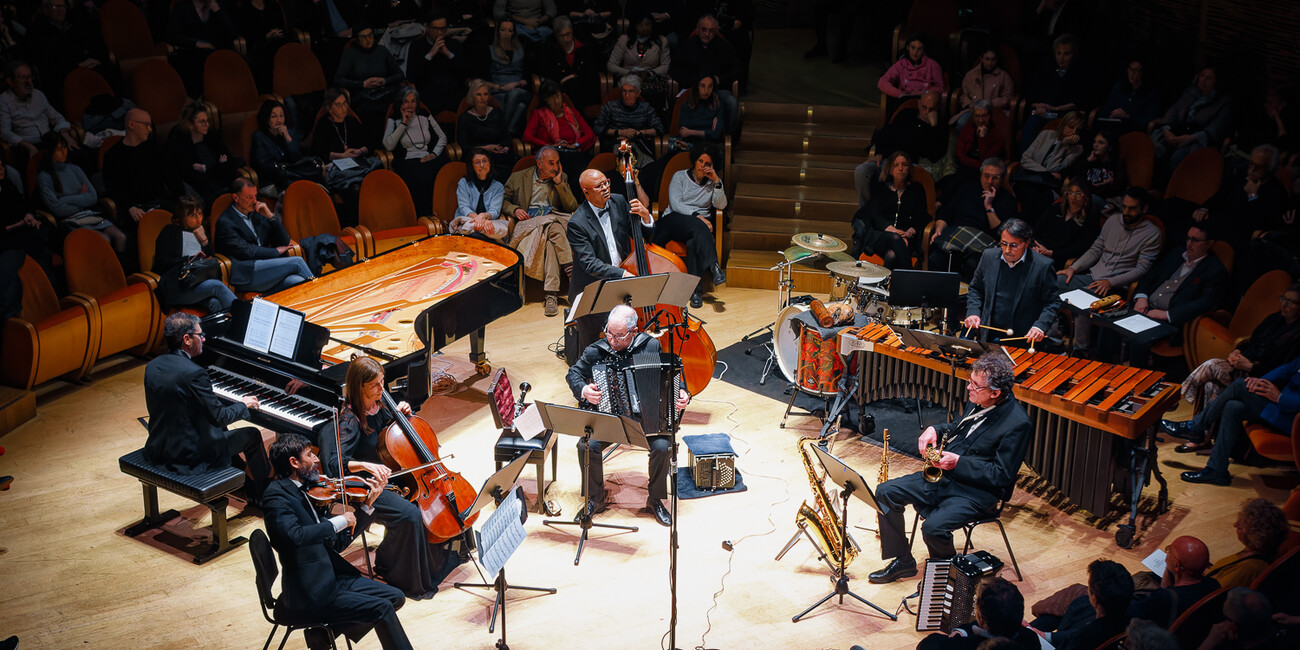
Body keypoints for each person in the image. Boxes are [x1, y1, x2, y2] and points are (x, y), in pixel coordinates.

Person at [867, 353, 1032, 584]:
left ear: (995, 393)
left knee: (933, 528)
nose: (968, 388)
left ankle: (946, 578)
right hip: (945, 477)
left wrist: (959, 463)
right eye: (969, 381)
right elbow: (960, 427)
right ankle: (903, 561)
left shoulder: (1018, 424)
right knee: (886, 492)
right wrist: (936, 429)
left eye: (975, 385)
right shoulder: (980, 400)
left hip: (976, 494)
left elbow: (1001, 475)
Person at [317, 356, 464, 600]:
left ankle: (425, 559)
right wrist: (366, 465)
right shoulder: (349, 420)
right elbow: (335, 465)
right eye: (375, 385)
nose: (381, 389)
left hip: (392, 476)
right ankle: (396, 571)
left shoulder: (381, 404)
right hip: (368, 486)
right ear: (359, 387)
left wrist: (404, 411)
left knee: (429, 503)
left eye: (382, 382)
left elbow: (394, 435)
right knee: (410, 515)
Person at [262, 433, 414, 650]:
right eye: (309, 455)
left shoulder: (306, 488)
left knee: (396, 597)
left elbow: (337, 543)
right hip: (310, 592)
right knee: (381, 608)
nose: (316, 459)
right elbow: (292, 536)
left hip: (331, 577)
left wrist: (367, 505)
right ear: (294, 463)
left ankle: (325, 634)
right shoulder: (276, 497)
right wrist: (337, 522)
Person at [567, 304, 690, 527]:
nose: (612, 340)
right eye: (609, 333)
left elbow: (671, 373)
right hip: (610, 418)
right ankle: (595, 498)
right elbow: (574, 373)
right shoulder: (597, 350)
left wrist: (682, 391)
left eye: (619, 335)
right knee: (586, 446)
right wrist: (584, 390)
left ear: (634, 332)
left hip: (647, 421)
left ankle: (655, 500)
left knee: (663, 446)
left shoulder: (650, 345)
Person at [144, 313, 272, 503]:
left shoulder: (153, 365)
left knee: (218, 428)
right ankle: (264, 496)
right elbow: (219, 416)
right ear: (187, 339)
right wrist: (243, 404)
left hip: (159, 445)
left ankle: (241, 480)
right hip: (188, 456)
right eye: (200, 335)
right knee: (252, 435)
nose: (203, 339)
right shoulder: (194, 373)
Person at [1167, 284, 1300, 453]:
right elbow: (1251, 343)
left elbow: (1281, 371)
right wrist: (1237, 352)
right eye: (1283, 299)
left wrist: (1252, 367)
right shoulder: (1274, 320)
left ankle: (1171, 401)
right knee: (1211, 385)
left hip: (1259, 378)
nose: (1285, 305)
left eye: (1292, 302)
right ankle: (1200, 437)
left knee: (1212, 365)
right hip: (1244, 368)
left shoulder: (1297, 337)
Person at [1056, 186, 1163, 354]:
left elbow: (1142, 269)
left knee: (1085, 298)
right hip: (1093, 276)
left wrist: (1111, 281)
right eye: (1124, 207)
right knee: (1053, 283)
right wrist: (1073, 268)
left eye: (1132, 208)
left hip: (1116, 286)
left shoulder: (1152, 233)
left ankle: (1080, 351)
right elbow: (1096, 249)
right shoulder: (1113, 220)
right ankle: (1053, 340)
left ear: (1144, 209)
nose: (1126, 212)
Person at [1179, 355, 1300, 486]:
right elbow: (1288, 369)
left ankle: (1196, 426)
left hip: (1294, 420)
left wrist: (1280, 398)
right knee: (1233, 407)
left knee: (1239, 386)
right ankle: (1216, 470)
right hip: (1282, 408)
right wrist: (1259, 382)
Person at [1127, 223, 1228, 364]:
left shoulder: (1214, 270)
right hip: (1144, 307)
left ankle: (1135, 376)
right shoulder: (1176, 254)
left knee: (1138, 335)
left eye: (1195, 240)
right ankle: (1107, 366)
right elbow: (1150, 276)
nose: (1189, 243)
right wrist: (1141, 297)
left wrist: (1168, 315)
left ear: (1209, 244)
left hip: (1170, 320)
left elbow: (1205, 303)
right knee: (1109, 321)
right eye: (1188, 238)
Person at [503, 146, 579, 316]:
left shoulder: (561, 177)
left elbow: (572, 206)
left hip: (551, 224)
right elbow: (503, 200)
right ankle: (571, 274)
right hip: (528, 225)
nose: (556, 167)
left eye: (558, 162)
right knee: (555, 227)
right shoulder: (518, 177)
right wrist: (514, 210)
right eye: (551, 163)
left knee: (552, 238)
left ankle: (551, 295)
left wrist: (559, 184)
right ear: (539, 163)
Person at [963, 219, 1060, 348]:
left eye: (1014, 245)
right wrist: (973, 312)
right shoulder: (989, 257)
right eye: (1004, 243)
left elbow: (1052, 302)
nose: (1007, 250)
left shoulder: (1043, 266)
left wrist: (1040, 326)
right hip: (989, 334)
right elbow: (975, 289)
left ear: (1026, 243)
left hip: (1023, 338)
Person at [214, 178, 315, 293]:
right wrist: (275, 252)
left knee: (296, 281)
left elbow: (284, 241)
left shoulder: (256, 213)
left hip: (267, 270)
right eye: (249, 197)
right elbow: (247, 251)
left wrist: (271, 216)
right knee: (297, 262)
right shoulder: (226, 222)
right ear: (236, 198)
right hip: (247, 274)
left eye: (255, 196)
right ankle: (324, 295)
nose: (254, 201)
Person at [35, 133, 127, 254]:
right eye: (59, 149)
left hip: (89, 214)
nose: (64, 151)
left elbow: (92, 197)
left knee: (121, 237)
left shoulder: (75, 169)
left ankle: (120, 269)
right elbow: (56, 208)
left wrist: (65, 199)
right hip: (70, 220)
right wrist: (81, 199)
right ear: (49, 152)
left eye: (64, 147)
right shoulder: (44, 177)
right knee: (104, 240)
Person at [660, 144, 726, 306]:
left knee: (694, 241)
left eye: (707, 164)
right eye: (700, 161)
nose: (703, 166)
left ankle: (695, 292)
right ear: (694, 161)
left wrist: (717, 181)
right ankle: (714, 265)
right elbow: (676, 204)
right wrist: (698, 217)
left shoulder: (713, 183)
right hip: (675, 221)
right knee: (699, 229)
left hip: (696, 229)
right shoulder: (680, 177)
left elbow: (721, 205)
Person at [929, 158, 1017, 277]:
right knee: (935, 258)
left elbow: (1000, 233)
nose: (990, 181)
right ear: (981, 175)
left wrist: (989, 206)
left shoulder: (1008, 200)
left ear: (1001, 180)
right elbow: (945, 214)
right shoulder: (967, 189)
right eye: (986, 176)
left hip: (980, 245)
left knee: (972, 264)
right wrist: (939, 230)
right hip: (957, 235)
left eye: (995, 178)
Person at [152, 195, 236, 314]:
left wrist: (204, 241)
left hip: (198, 281)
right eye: (192, 215)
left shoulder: (200, 230)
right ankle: (246, 316)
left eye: (200, 214)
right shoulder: (170, 231)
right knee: (217, 286)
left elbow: (210, 257)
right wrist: (189, 259)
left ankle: (222, 331)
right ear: (182, 217)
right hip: (177, 285)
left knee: (215, 303)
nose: (198, 219)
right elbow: (162, 262)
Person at [851, 150, 927, 269]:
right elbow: (874, 215)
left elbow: (921, 215)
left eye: (904, 165)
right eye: (896, 165)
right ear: (890, 169)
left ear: (909, 168)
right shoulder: (881, 188)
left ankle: (885, 285)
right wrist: (893, 231)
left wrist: (910, 232)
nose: (901, 168)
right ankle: (911, 278)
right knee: (896, 239)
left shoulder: (917, 189)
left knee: (891, 255)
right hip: (882, 235)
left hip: (907, 236)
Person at [103, 108, 178, 228]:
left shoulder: (155, 150)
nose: (149, 130)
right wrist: (129, 207)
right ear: (131, 125)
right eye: (146, 125)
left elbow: (171, 177)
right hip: (133, 208)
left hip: (158, 203)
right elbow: (114, 188)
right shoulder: (113, 156)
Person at [917, 577, 1042, 649]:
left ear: (980, 618)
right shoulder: (1031, 639)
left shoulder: (961, 645)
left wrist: (957, 636)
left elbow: (926, 645)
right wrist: (963, 631)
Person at [1021, 33, 1094, 152]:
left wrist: (1055, 109)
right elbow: (1032, 95)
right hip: (1043, 112)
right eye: (1058, 53)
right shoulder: (1047, 71)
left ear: (1074, 55)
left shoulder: (1081, 75)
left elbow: (1080, 102)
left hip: (1064, 114)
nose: (1061, 58)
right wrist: (1039, 105)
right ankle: (1025, 161)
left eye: (1067, 54)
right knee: (1032, 122)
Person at [1150, 66, 1232, 171]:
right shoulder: (1190, 92)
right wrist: (1167, 130)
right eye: (1202, 76)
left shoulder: (1223, 103)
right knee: (1154, 148)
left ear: (1216, 82)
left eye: (1209, 78)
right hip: (1176, 131)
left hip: (1196, 141)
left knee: (1178, 158)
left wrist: (1189, 138)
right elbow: (1173, 112)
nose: (1203, 80)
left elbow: (1215, 130)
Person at [333, 25, 404, 146]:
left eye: (370, 35)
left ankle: (398, 144)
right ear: (356, 38)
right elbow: (338, 80)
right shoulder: (350, 54)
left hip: (384, 92)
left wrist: (384, 80)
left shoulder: (382, 51)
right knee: (369, 110)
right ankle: (373, 148)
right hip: (362, 95)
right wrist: (363, 84)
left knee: (401, 104)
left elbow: (400, 75)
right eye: (363, 36)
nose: (368, 39)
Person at [382, 86, 448, 216]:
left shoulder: (424, 115)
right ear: (400, 102)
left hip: (428, 157)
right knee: (417, 174)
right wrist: (404, 123)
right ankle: (420, 216)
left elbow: (443, 137)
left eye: (413, 101)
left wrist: (434, 154)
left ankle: (438, 215)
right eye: (406, 101)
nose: (410, 105)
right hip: (407, 160)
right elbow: (388, 145)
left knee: (439, 171)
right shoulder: (394, 119)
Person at [0, 60, 78, 168]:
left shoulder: (38, 95)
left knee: (78, 154)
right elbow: (4, 131)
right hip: (26, 145)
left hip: (49, 140)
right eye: (23, 78)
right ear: (11, 82)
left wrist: (65, 134)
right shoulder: (4, 100)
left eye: (30, 77)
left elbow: (56, 117)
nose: (29, 81)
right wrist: (28, 147)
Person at [1040, 560, 1134, 650]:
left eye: (1089, 588)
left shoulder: (1084, 637)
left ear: (1094, 600)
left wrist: (1041, 637)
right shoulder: (1135, 618)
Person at [1129, 536, 1220, 627]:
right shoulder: (1213, 584)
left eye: (1169, 551)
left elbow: (1131, 614)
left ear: (1177, 565)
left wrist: (1170, 565)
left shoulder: (1164, 599)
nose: (1166, 554)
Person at [165, 101, 243, 206]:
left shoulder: (211, 136)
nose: (207, 125)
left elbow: (226, 159)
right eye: (202, 122)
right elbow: (187, 173)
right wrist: (216, 165)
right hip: (198, 191)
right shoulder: (180, 140)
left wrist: (207, 168)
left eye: (207, 121)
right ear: (190, 124)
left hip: (220, 183)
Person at [670, 15, 738, 134]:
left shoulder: (725, 46)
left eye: (711, 31)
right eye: (704, 30)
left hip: (716, 89)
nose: (707, 34)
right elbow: (674, 70)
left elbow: (737, 70)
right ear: (697, 28)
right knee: (674, 101)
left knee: (731, 103)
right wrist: (694, 81)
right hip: (690, 87)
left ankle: (726, 139)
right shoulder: (687, 45)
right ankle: (677, 137)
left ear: (716, 31)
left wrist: (718, 80)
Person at [523, 79, 595, 189]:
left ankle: (578, 195)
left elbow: (590, 134)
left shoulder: (571, 112)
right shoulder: (539, 114)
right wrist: (548, 145)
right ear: (546, 100)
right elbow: (527, 136)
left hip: (572, 151)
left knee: (581, 162)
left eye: (558, 96)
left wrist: (575, 144)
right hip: (551, 153)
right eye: (552, 97)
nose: (557, 100)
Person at [1203, 499, 1290, 590]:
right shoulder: (1259, 551)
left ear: (1255, 536)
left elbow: (1212, 592)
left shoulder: (1249, 568)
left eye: (1240, 527)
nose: (1235, 525)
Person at [1014, 111, 1084, 219]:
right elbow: (1025, 158)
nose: (1074, 132)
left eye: (1078, 130)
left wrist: (1062, 144)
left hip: (1050, 185)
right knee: (1028, 190)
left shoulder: (1077, 149)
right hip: (1030, 179)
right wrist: (1046, 173)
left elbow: (1053, 167)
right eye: (1071, 127)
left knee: (1036, 195)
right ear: (1063, 124)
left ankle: (1028, 229)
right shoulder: (1046, 134)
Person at [405, 11, 470, 116]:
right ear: (427, 28)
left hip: (452, 93)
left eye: (443, 29)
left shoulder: (453, 44)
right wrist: (430, 54)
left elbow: (465, 72)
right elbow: (412, 76)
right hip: (428, 94)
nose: (440, 32)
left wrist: (449, 54)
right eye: (436, 29)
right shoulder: (417, 46)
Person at [250, 99, 321, 194]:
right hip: (272, 181)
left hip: (291, 176)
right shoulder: (259, 137)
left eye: (281, 116)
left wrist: (288, 139)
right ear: (266, 118)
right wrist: (284, 167)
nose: (279, 120)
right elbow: (263, 165)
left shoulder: (288, 133)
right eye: (273, 116)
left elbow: (298, 158)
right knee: (299, 191)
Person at [607, 14, 673, 114]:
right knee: (630, 88)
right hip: (629, 76)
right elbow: (611, 65)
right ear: (634, 26)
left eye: (647, 24)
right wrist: (629, 72)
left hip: (651, 77)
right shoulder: (624, 40)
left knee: (654, 91)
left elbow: (665, 66)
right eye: (641, 25)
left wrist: (650, 72)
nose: (645, 28)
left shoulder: (661, 40)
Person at [1031, 178, 1099, 269]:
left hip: (1059, 259)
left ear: (1085, 196)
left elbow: (1080, 248)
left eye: (1078, 194)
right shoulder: (1056, 209)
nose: (1073, 197)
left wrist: (1051, 253)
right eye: (1070, 192)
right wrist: (1037, 247)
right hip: (1040, 250)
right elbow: (1036, 230)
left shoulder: (1089, 220)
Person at [457, 79, 517, 181]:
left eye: (485, 94)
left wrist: (504, 148)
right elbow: (463, 145)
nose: (482, 98)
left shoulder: (496, 113)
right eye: (478, 95)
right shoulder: (465, 117)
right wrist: (485, 148)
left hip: (498, 154)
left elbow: (506, 136)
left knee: (511, 163)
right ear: (472, 96)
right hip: (476, 154)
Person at [871, 90, 949, 167]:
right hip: (889, 160)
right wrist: (879, 154)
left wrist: (934, 127)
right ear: (919, 104)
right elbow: (885, 135)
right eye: (924, 107)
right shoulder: (906, 114)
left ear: (938, 108)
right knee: (863, 170)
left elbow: (935, 156)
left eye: (932, 109)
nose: (926, 112)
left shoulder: (940, 126)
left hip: (912, 167)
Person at [539, 16, 601, 111]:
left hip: (584, 90)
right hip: (561, 92)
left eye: (568, 34)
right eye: (561, 36)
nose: (566, 38)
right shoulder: (550, 49)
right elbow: (547, 72)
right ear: (556, 35)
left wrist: (573, 76)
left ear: (572, 31)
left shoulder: (584, 48)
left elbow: (591, 71)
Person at [876, 33, 946, 118]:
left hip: (924, 101)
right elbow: (882, 82)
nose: (915, 52)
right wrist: (899, 94)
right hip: (904, 98)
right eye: (913, 48)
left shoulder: (932, 65)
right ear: (908, 47)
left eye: (919, 49)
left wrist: (926, 93)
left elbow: (939, 87)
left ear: (923, 50)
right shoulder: (901, 64)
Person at [593, 75, 664, 157]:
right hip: (615, 144)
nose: (627, 95)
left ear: (638, 93)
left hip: (639, 144)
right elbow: (597, 127)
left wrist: (638, 133)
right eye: (624, 91)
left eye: (631, 91)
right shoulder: (610, 107)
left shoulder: (646, 108)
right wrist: (619, 132)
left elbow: (659, 128)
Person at [450, 149, 509, 241]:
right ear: (472, 166)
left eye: (485, 161)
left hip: (488, 222)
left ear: (490, 163)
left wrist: (483, 217)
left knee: (489, 231)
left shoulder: (498, 187)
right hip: (467, 220)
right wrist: (479, 219)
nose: (482, 165)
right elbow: (464, 207)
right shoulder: (463, 183)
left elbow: (494, 210)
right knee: (477, 234)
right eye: (477, 162)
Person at [486, 20, 532, 135]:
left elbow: (529, 77)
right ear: (497, 31)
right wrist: (498, 87)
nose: (506, 33)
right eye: (503, 30)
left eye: (510, 30)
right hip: (499, 90)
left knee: (514, 94)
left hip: (519, 90)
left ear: (514, 33)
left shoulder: (522, 49)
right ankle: (509, 131)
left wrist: (516, 84)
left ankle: (501, 131)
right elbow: (484, 76)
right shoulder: (490, 50)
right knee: (520, 106)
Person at [954, 48, 1016, 131]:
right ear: (981, 59)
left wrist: (990, 103)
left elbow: (1008, 98)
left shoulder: (1004, 76)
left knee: (996, 127)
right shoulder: (971, 75)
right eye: (987, 59)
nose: (990, 63)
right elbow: (964, 95)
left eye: (993, 60)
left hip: (994, 111)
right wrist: (970, 104)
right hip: (973, 110)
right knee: (961, 123)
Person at [1098, 59, 1160, 134]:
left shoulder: (1150, 92)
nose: (1132, 73)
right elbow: (1107, 109)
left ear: (1142, 73)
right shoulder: (1120, 87)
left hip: (1135, 129)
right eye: (1130, 69)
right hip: (1115, 126)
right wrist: (1113, 113)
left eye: (1136, 70)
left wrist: (1128, 116)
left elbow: (1149, 119)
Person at [1067, 130, 1126, 208]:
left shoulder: (1116, 164)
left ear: (1109, 147)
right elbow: (1075, 177)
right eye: (1095, 142)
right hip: (1084, 195)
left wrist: (1094, 188)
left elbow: (1118, 188)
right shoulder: (1090, 161)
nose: (1095, 145)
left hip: (1102, 199)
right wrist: (1088, 162)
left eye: (1101, 143)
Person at [954, 100, 1008, 183]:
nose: (980, 120)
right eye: (977, 116)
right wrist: (971, 163)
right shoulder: (969, 127)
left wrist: (982, 138)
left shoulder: (997, 133)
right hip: (966, 166)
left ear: (990, 115)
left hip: (984, 171)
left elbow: (986, 161)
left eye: (984, 116)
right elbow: (959, 153)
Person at [676, 74, 726, 149]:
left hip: (710, 145)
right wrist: (706, 133)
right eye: (702, 86)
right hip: (689, 145)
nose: (706, 91)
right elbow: (683, 132)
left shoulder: (717, 105)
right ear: (697, 87)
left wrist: (691, 132)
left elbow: (716, 134)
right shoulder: (687, 105)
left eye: (710, 86)